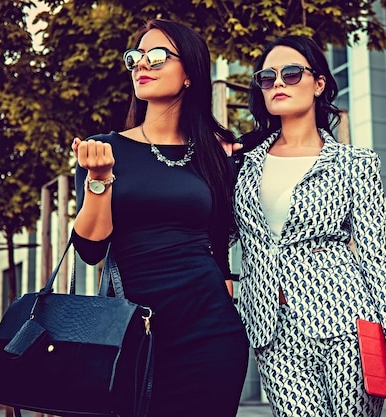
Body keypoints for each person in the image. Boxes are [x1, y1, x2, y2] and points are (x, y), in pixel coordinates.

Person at [231, 35, 386, 416]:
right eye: (268, 78)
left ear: (319, 84)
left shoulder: (356, 163)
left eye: (291, 73)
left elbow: (377, 258)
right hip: (273, 331)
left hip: (349, 324)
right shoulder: (241, 163)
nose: (279, 83)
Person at [70, 19, 249, 417]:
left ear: (190, 74)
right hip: (135, 330)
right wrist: (99, 181)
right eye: (135, 57)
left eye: (156, 56)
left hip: (210, 332)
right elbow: (89, 249)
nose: (141, 65)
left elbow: (220, 243)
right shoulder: (104, 149)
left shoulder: (213, 157)